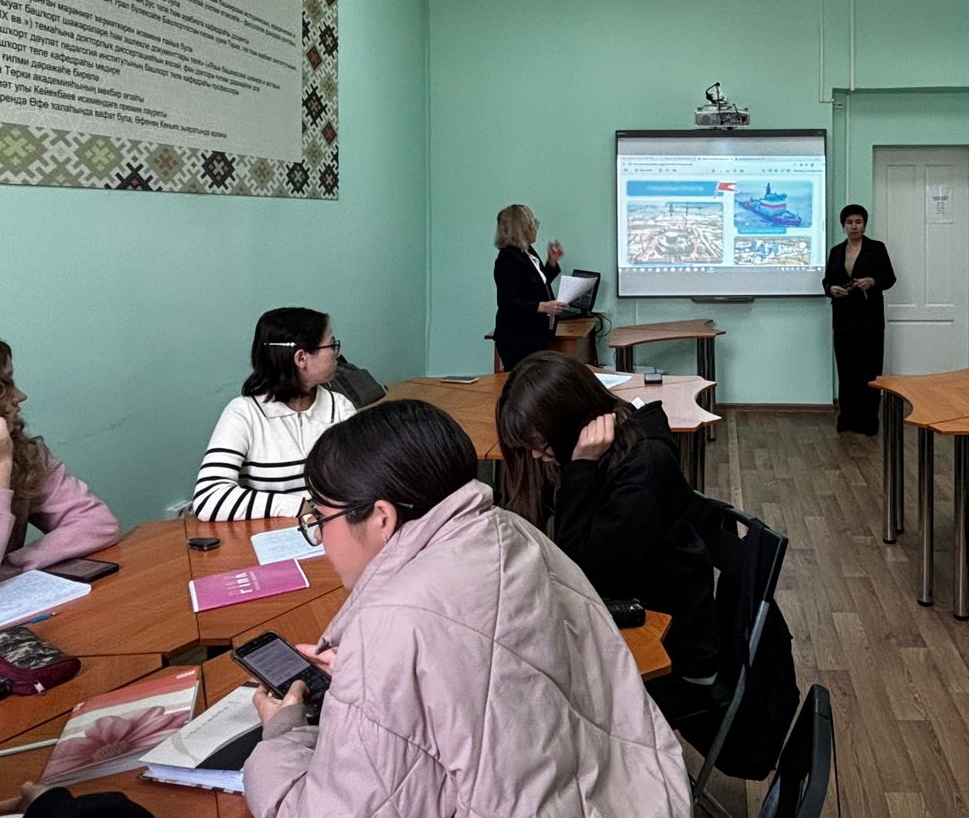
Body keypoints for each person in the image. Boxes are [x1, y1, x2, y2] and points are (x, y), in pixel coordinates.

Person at [242, 400, 691, 818]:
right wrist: (375, 683)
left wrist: (285, 732)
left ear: (381, 517)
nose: (320, 539)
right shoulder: (511, 530)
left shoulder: (392, 625)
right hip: (633, 789)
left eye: (320, 519)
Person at [495, 350, 719, 719]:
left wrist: (579, 469)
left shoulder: (642, 467)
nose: (535, 456)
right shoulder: (615, 446)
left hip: (673, 654)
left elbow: (582, 575)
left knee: (531, 698)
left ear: (571, 422)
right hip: (629, 618)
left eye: (541, 444)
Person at [0, 332, 119, 601]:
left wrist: (9, 568)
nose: (20, 396)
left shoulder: (19, 451)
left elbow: (97, 523)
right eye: (4, 383)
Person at [192, 309, 353, 521]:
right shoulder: (244, 413)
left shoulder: (340, 408)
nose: (336, 353)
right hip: (275, 535)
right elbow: (208, 498)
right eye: (331, 345)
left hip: (335, 533)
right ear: (301, 358)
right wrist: (298, 507)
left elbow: (367, 480)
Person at [822, 204, 897, 435]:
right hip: (843, 318)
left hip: (869, 319)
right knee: (846, 370)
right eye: (849, 222)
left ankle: (868, 420)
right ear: (843, 226)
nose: (854, 226)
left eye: (858, 222)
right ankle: (847, 418)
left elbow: (889, 278)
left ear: (864, 225)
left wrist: (873, 281)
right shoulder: (836, 251)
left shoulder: (877, 248)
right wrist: (831, 289)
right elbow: (827, 281)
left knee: (869, 370)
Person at [493, 203, 565, 371]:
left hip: (534, 334)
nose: (536, 228)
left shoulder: (527, 252)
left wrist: (552, 262)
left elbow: (535, 284)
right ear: (523, 229)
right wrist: (543, 306)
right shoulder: (508, 259)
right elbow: (507, 302)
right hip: (518, 338)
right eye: (534, 224)